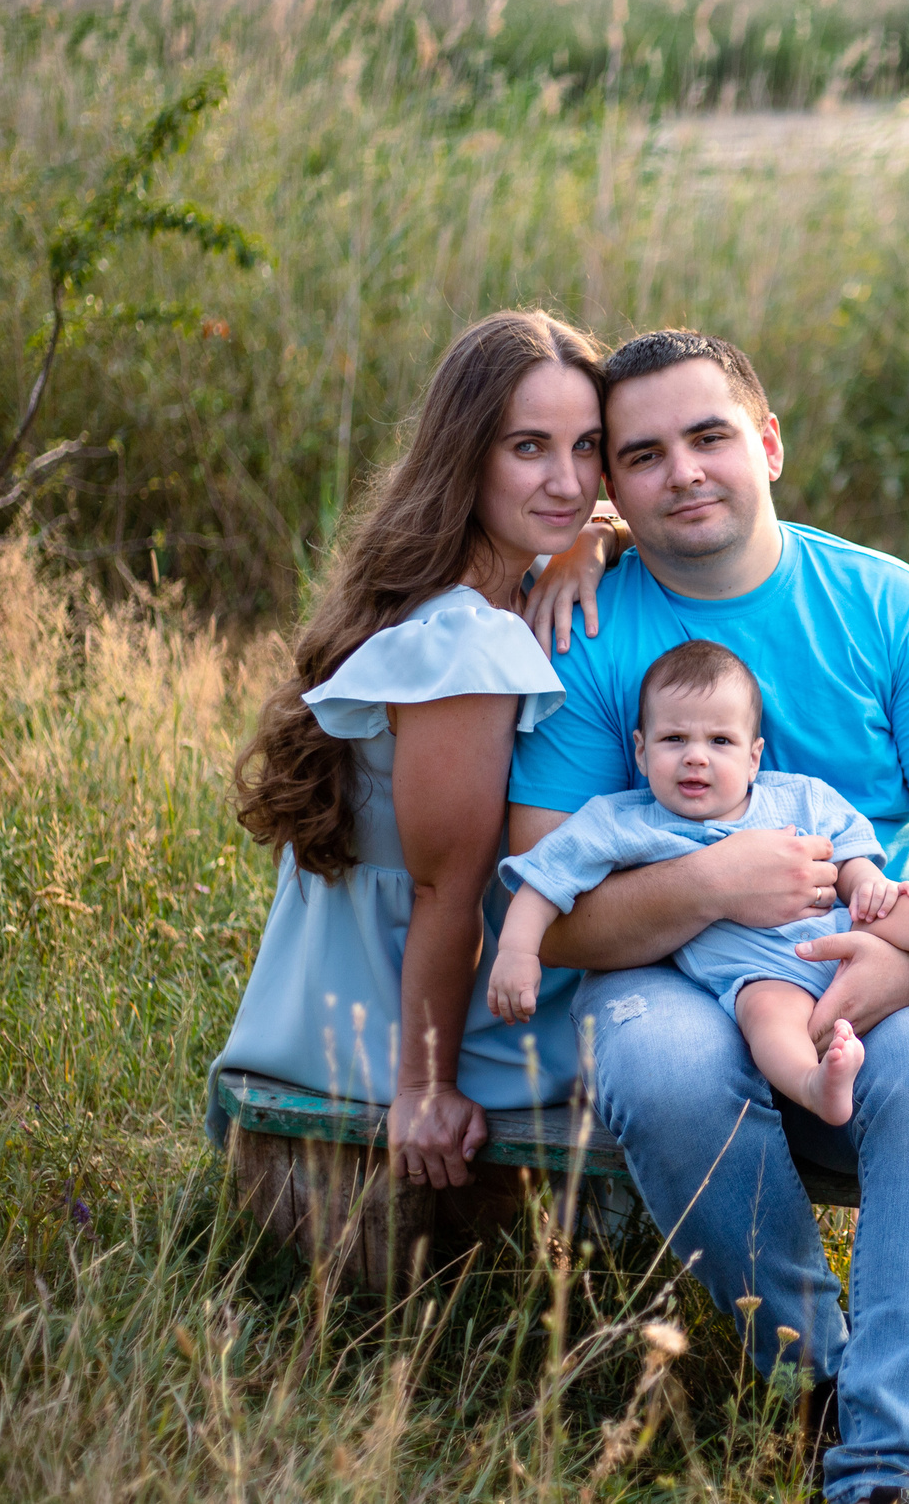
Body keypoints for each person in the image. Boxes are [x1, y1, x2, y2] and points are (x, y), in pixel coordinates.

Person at [506, 329, 909, 1504]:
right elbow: (560, 912)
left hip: (862, 948)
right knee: (663, 1068)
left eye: (710, 436)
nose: (684, 471)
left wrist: (903, 968)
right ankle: (810, 1376)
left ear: (769, 443)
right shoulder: (587, 630)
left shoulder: (890, 610)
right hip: (665, 961)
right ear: (613, 489)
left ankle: (891, 1465)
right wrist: (708, 887)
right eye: (642, 455)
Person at [211, 310, 616, 1190]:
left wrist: (595, 537)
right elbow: (446, 888)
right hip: (389, 1022)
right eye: (529, 448)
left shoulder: (479, 582)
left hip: (359, 979)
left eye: (588, 447)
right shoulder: (464, 645)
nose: (568, 480)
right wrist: (425, 1088)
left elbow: (588, 511)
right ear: (466, 453)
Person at [489, 639, 909, 1125]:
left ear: (754, 755)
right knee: (765, 1015)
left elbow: (851, 851)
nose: (696, 758)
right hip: (759, 971)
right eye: (673, 741)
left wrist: (866, 882)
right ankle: (814, 1086)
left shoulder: (797, 797)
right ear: (640, 752)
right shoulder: (622, 821)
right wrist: (517, 951)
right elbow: (544, 878)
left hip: (849, 940)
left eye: (720, 742)